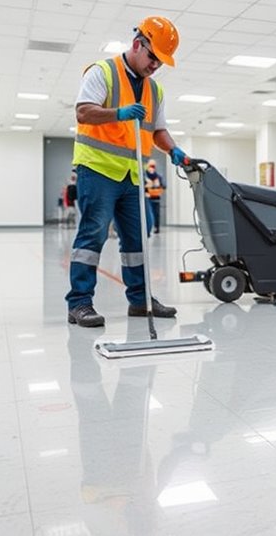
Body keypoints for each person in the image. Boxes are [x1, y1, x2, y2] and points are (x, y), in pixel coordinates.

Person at [66, 16, 188, 328]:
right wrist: (118, 113)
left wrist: (174, 150)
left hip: (132, 176)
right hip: (98, 170)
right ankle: (79, 303)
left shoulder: (155, 91)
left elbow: (158, 130)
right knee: (93, 234)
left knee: (138, 239)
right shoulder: (102, 72)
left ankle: (140, 300)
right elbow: (83, 112)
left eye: (160, 62)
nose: (155, 66)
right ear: (137, 44)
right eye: (152, 57)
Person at [144, 159, 164, 234]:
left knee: (156, 214)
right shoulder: (144, 176)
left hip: (156, 198)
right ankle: (147, 229)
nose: (152, 168)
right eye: (150, 166)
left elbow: (162, 186)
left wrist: (157, 185)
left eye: (153, 166)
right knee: (147, 214)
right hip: (147, 198)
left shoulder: (158, 177)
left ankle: (156, 227)